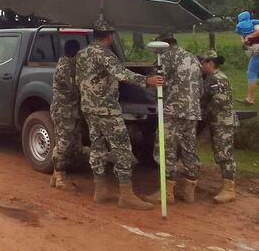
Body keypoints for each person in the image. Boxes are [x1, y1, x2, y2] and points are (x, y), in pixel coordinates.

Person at [76, 19, 163, 210]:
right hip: (107, 109)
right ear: (109, 36)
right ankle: (126, 195)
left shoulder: (82, 54)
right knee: (122, 148)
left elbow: (79, 80)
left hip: (89, 108)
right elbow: (121, 73)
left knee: (97, 147)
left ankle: (100, 190)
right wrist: (147, 80)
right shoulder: (105, 54)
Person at [142, 33, 202, 205]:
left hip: (172, 111)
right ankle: (189, 189)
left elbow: (157, 83)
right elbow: (201, 87)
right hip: (192, 111)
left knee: (165, 149)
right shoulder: (192, 58)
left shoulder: (165, 58)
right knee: (188, 149)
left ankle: (167, 192)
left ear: (163, 45)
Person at [199, 50, 238, 203]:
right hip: (217, 121)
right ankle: (227, 186)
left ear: (210, 63)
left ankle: (229, 189)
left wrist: (204, 115)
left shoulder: (218, 79)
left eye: (203, 63)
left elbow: (218, 101)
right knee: (219, 152)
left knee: (224, 154)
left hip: (223, 122)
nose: (201, 66)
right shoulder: (210, 78)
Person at [50, 39, 82, 191]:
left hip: (69, 110)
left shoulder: (70, 65)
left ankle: (57, 176)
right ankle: (60, 176)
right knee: (63, 143)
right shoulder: (65, 67)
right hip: (63, 111)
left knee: (70, 142)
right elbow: (75, 88)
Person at [235, 12, 259, 104]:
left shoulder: (255, 25)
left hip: (257, 52)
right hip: (254, 52)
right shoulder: (246, 27)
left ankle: (250, 99)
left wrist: (249, 36)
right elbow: (244, 44)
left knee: (251, 72)